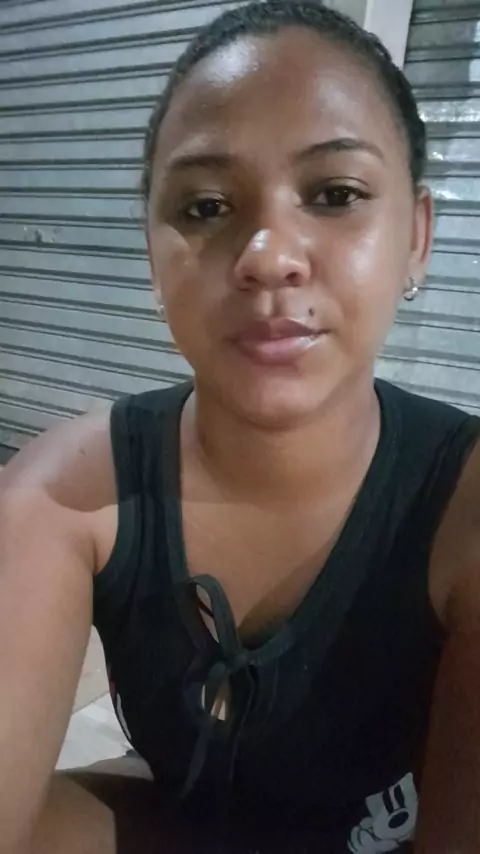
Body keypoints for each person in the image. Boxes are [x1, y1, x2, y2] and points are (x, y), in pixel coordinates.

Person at [0, 1, 479, 852]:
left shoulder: (463, 506)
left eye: (335, 194)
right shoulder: (63, 497)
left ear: (416, 237)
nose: (267, 255)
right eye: (205, 207)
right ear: (153, 257)